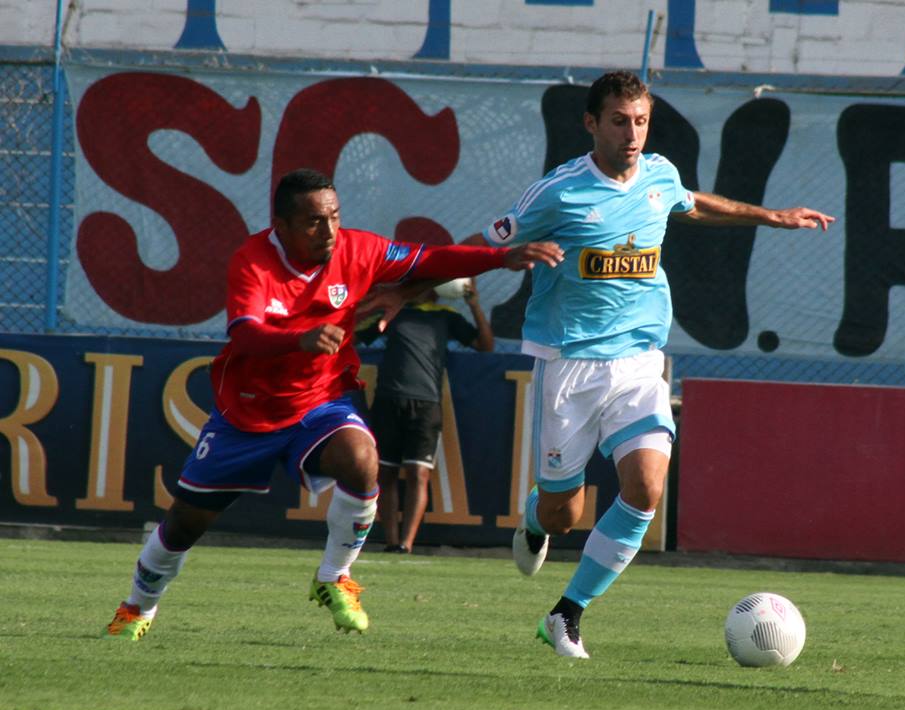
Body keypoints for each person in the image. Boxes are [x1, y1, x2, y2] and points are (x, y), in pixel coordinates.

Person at [372, 70, 834, 658]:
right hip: (569, 366)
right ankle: (537, 522)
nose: (632, 132)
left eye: (640, 120)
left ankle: (567, 614)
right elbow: (480, 247)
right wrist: (407, 292)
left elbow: (691, 205)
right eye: (619, 120)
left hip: (640, 362)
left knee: (645, 488)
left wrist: (772, 216)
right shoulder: (558, 193)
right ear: (592, 124)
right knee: (565, 514)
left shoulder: (659, 175)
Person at [102, 168, 563, 641]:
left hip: (322, 398)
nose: (328, 231)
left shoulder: (357, 249)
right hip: (248, 412)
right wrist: (299, 338)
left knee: (362, 460)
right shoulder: (254, 261)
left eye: (334, 218)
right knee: (183, 525)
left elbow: (431, 258)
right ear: (280, 226)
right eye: (313, 222)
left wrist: (500, 256)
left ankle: (334, 576)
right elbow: (243, 332)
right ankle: (137, 608)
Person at [359, 279, 493, 554]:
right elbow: (354, 335)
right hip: (388, 399)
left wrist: (474, 304)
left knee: (419, 473)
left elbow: (485, 344)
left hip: (426, 404)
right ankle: (391, 541)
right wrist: (370, 301)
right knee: (386, 473)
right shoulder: (395, 310)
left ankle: (406, 544)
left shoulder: (446, 316)